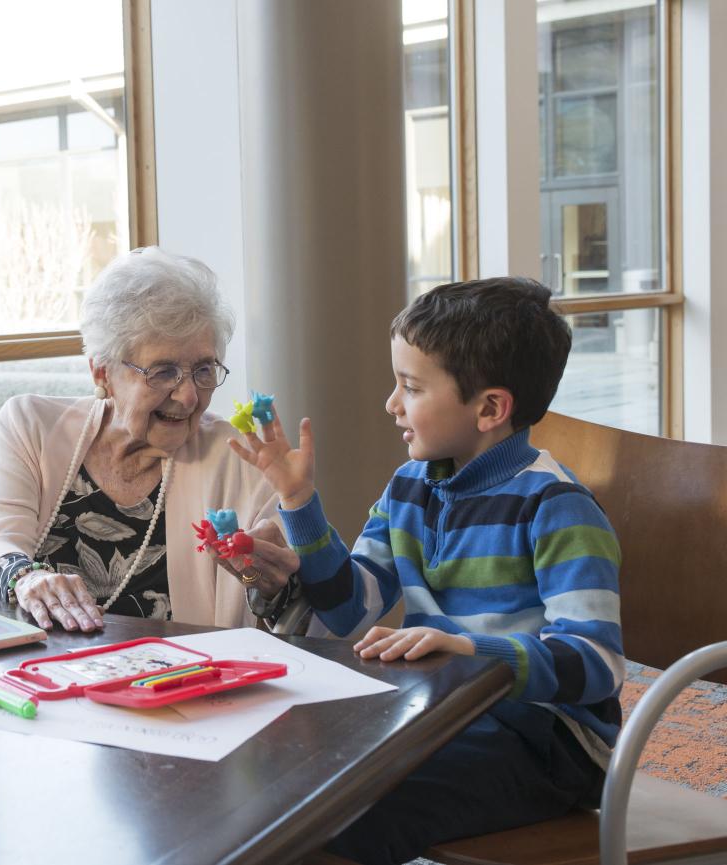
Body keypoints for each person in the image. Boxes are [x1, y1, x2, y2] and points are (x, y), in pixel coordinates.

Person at [232, 277, 623, 865]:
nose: (391, 404)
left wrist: (469, 651)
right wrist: (297, 502)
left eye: (410, 387)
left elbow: (597, 664)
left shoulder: (557, 507)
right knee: (287, 778)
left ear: (491, 408)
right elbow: (348, 609)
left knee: (341, 814)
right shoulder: (409, 487)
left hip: (549, 742)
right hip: (442, 715)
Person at [0, 247, 303, 632]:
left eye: (204, 369)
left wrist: (260, 580)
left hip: (171, 682)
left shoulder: (238, 458)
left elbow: (275, 604)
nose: (189, 395)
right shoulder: (31, 425)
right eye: (163, 371)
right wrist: (26, 579)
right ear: (102, 372)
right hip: (24, 673)